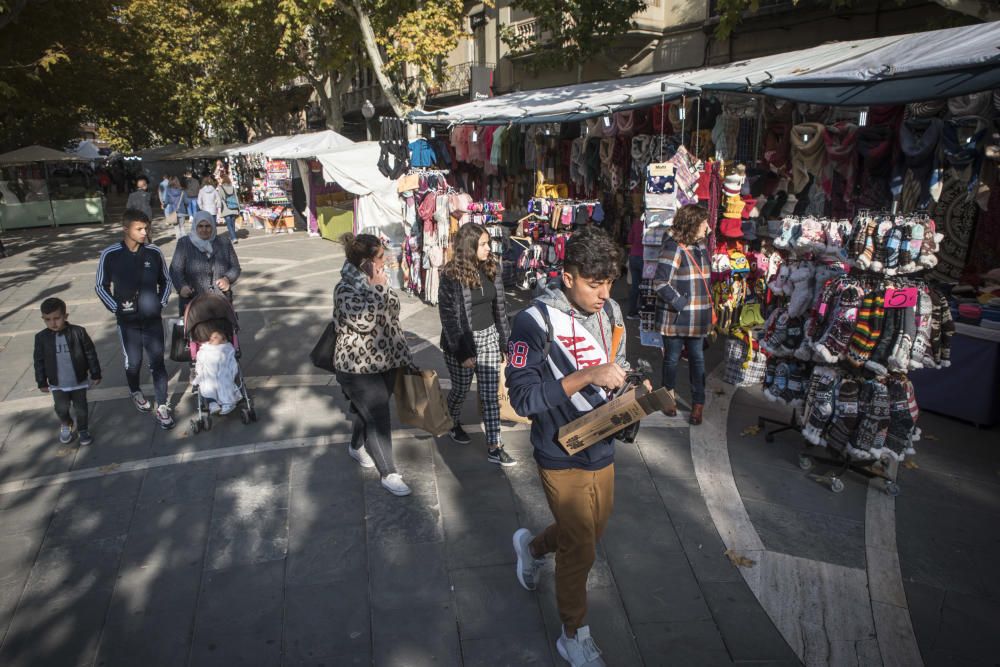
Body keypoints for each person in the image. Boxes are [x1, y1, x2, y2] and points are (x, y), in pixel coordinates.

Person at [506, 225, 631, 667]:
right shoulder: (533, 321)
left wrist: (635, 389)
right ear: (567, 276)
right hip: (559, 452)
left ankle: (534, 548)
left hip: (603, 443)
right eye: (594, 283)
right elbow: (522, 399)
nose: (603, 293)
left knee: (591, 532)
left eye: (609, 283)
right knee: (581, 548)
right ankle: (573, 633)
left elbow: (616, 365)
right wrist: (586, 376)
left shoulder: (611, 311)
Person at [334, 233, 414, 497]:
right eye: (380, 257)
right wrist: (378, 289)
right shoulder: (345, 288)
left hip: (386, 360)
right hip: (356, 367)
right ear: (366, 262)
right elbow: (364, 322)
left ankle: (356, 445)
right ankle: (389, 472)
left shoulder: (379, 279)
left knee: (365, 411)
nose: (386, 261)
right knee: (379, 415)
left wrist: (380, 288)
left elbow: (394, 309)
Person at [437, 222, 514, 466]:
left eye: (488, 243)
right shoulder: (451, 275)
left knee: (490, 394)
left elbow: (500, 308)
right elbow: (448, 317)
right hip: (462, 341)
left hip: (489, 337)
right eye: (483, 244)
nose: (488, 248)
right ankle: (452, 421)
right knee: (460, 389)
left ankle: (495, 446)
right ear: (469, 247)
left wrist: (505, 342)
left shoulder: (493, 268)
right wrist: (462, 352)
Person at [95, 208, 175, 429]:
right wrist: (116, 308)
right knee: (134, 363)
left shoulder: (154, 252)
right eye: (139, 228)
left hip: (152, 320)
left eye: (146, 228)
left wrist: (161, 303)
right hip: (127, 322)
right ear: (125, 229)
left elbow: (166, 282)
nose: (144, 232)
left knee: (157, 362)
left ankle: (162, 405)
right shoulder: (110, 254)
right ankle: (135, 390)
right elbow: (100, 286)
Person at [653, 204, 713, 426]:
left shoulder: (701, 246)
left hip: (698, 317)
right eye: (703, 222)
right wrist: (681, 303)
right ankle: (667, 398)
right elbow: (660, 282)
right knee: (671, 359)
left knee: (698, 360)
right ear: (692, 223)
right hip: (677, 316)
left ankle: (698, 403)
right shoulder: (674, 247)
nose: (707, 227)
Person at [33, 297, 102, 446]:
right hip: (57, 383)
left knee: (81, 409)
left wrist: (95, 373)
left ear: (65, 316)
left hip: (78, 381)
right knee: (61, 408)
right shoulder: (41, 338)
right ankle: (66, 424)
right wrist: (41, 381)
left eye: (57, 318)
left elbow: (90, 353)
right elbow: (39, 361)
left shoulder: (78, 332)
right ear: (43, 319)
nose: (53, 323)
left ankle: (83, 430)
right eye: (48, 319)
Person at [169, 211, 241, 317]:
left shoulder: (224, 242)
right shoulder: (184, 243)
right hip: (192, 301)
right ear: (195, 227)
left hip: (220, 300)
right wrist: (182, 287)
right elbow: (175, 269)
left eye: (208, 226)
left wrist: (227, 279)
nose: (204, 229)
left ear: (213, 226)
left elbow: (235, 267)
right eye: (200, 226)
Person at [192, 326, 239, 415]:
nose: (211, 339)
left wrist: (233, 371)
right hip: (209, 373)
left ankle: (228, 403)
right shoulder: (205, 349)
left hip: (223, 371)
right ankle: (212, 403)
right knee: (207, 384)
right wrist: (199, 374)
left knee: (224, 383)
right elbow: (200, 363)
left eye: (216, 337)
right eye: (211, 337)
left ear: (223, 339)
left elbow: (232, 362)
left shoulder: (227, 348)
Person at [626, 216, 645, 320]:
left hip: (634, 256)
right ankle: (642, 310)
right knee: (645, 286)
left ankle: (631, 312)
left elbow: (630, 239)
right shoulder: (653, 225)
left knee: (635, 285)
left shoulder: (636, 223)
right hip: (645, 258)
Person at [215, 174, 241, 244]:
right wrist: (239, 208)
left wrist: (219, 209)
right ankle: (233, 236)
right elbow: (236, 197)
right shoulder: (232, 187)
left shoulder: (220, 188)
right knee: (232, 223)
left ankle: (234, 238)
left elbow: (219, 199)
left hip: (226, 208)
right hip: (234, 207)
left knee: (229, 224)